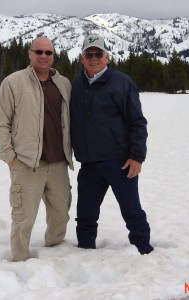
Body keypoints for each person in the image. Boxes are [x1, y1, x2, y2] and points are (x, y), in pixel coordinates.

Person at [70, 34, 153, 255]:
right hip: (89, 164)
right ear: (82, 58)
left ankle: (144, 251)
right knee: (85, 215)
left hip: (120, 162)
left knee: (132, 212)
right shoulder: (76, 85)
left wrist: (137, 156)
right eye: (89, 54)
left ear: (107, 56)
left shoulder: (122, 82)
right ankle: (85, 252)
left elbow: (137, 122)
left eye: (99, 54)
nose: (94, 58)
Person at [0, 36, 73, 262]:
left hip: (58, 163)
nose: (43, 56)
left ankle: (56, 255)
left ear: (53, 56)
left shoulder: (64, 84)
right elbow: (1, 122)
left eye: (48, 52)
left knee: (60, 216)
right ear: (29, 54)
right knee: (23, 218)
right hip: (27, 164)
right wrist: (10, 158)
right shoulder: (13, 82)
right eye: (39, 52)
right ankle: (19, 261)